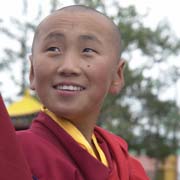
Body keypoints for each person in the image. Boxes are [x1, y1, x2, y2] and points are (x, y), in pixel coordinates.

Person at [16, 5, 149, 180]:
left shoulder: (127, 166)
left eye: (88, 50)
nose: (68, 67)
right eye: (53, 49)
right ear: (32, 71)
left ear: (117, 75)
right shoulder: (13, 154)